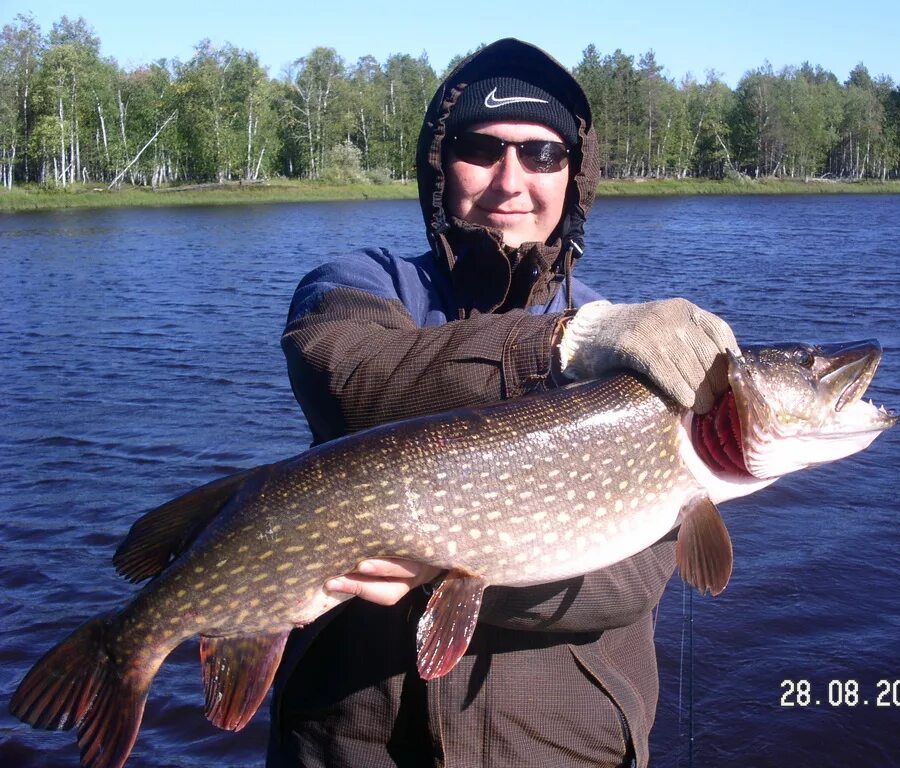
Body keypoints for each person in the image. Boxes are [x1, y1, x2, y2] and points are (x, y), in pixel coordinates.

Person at [269, 38, 737, 768]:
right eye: (480, 149)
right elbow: (347, 375)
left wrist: (434, 560)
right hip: (347, 743)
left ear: (573, 179)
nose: (510, 180)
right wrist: (560, 344)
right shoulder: (363, 282)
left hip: (561, 746)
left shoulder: (640, 354)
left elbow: (630, 582)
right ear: (439, 167)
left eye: (543, 155)